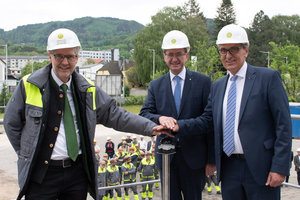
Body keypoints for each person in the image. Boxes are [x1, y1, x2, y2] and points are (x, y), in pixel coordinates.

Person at [3, 28, 174, 200]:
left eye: (70, 56)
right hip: (41, 175)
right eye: (59, 56)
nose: (64, 62)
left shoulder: (87, 89)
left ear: (77, 58)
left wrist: (151, 127)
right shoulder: (29, 85)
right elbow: (11, 124)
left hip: (77, 174)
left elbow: (115, 114)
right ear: (50, 56)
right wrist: (28, 154)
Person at [157, 24, 292, 200]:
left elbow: (284, 124)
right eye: (223, 50)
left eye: (234, 49)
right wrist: (177, 125)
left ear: (246, 50)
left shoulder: (267, 78)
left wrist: (279, 167)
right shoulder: (218, 86)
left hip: (262, 168)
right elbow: (207, 121)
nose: (228, 56)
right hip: (229, 169)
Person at [139, 30, 215, 200]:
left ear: (187, 55)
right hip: (166, 159)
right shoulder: (156, 85)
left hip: (195, 159)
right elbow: (144, 113)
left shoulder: (203, 82)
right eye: (170, 54)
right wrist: (159, 118)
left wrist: (211, 159)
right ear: (164, 56)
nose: (175, 59)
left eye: (179, 54)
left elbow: (210, 121)